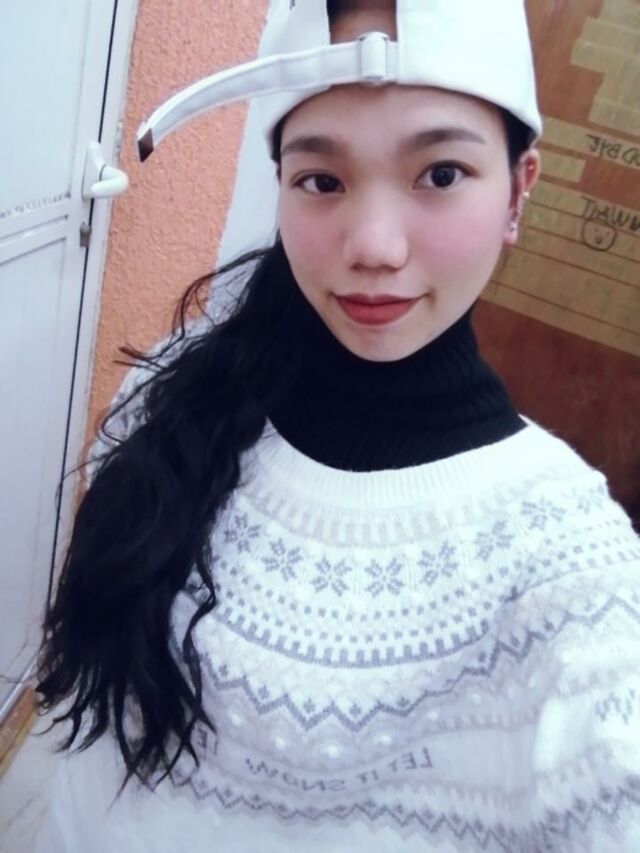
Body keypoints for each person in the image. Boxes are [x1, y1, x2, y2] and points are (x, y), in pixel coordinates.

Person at [34, 1, 640, 851]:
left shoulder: (565, 557)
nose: (374, 245)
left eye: (440, 174)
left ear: (518, 188)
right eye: (322, 180)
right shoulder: (172, 394)